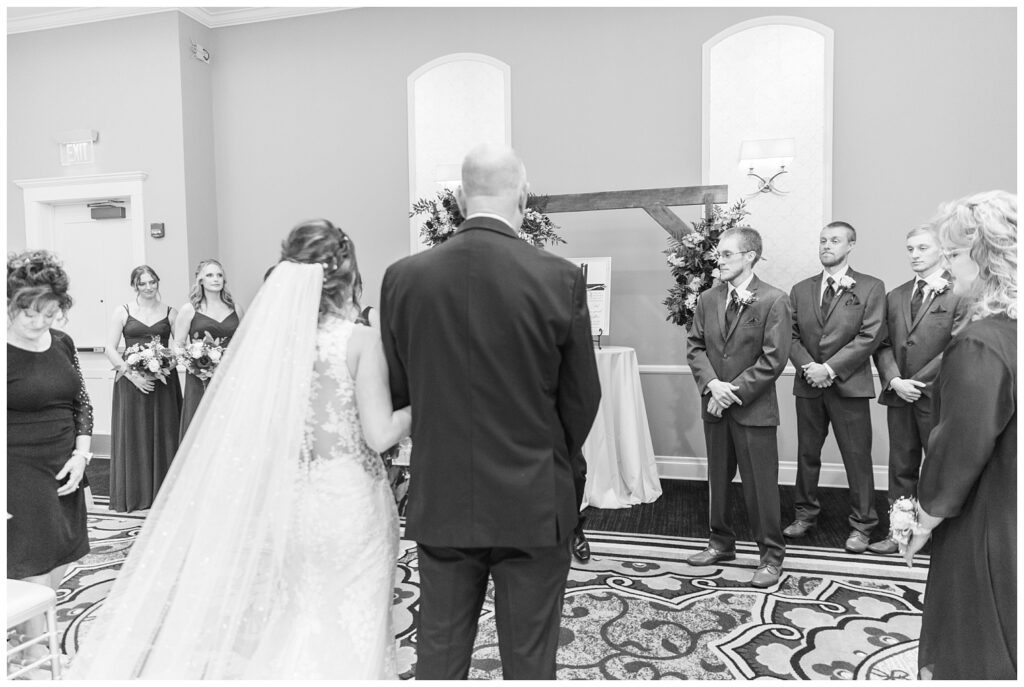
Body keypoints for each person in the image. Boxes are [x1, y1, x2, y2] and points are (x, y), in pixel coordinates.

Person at [68, 220, 411, 679]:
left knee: (295, 610)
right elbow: (380, 435)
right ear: (346, 272)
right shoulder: (360, 340)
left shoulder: (269, 345)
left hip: (289, 499)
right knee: (349, 613)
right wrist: (418, 407)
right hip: (347, 498)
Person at [380, 143, 601, 679]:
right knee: (529, 656)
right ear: (523, 197)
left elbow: (401, 387)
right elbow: (581, 396)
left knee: (440, 649)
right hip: (533, 494)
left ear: (458, 198)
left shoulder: (403, 277)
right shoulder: (559, 276)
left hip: (444, 493)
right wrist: (553, 458)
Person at [903, 191, 1016, 680]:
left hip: (989, 514)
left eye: (951, 255)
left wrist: (924, 518)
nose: (946, 268)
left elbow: (961, 444)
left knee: (978, 634)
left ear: (986, 254)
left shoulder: (980, 341)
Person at [685, 227, 791, 587]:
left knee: (761, 486)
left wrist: (732, 391)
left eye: (728, 254)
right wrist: (712, 385)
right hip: (714, 405)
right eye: (720, 254)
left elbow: (773, 359)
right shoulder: (707, 299)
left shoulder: (774, 300)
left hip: (753, 409)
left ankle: (771, 557)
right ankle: (720, 543)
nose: (721, 260)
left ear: (750, 256)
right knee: (718, 479)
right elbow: (695, 346)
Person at [7, 250, 93, 667]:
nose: (41, 323)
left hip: (66, 464)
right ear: (11, 304)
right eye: (31, 315)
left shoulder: (62, 342)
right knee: (33, 559)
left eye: (50, 313)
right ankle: (37, 650)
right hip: (17, 467)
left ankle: (32, 635)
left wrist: (82, 455)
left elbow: (81, 401)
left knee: (64, 554)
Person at [784, 221, 885, 553]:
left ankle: (863, 525)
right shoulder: (800, 289)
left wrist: (829, 368)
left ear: (851, 245)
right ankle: (804, 515)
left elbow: (870, 336)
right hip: (809, 384)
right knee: (807, 454)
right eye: (823, 240)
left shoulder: (871, 287)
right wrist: (809, 368)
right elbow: (790, 335)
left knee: (857, 457)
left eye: (835, 240)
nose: (827, 245)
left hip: (849, 385)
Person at [869, 226, 966, 554]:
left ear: (941, 249)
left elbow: (957, 345)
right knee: (900, 465)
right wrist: (895, 380)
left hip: (938, 396)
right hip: (899, 395)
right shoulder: (895, 295)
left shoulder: (961, 293)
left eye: (923, 248)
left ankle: (942, 535)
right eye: (910, 248)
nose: (915, 254)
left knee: (939, 464)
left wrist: (918, 383)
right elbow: (881, 344)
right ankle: (899, 534)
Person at [104, 266, 183, 512]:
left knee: (166, 433)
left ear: (158, 283)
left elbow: (179, 348)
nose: (148, 287)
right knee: (134, 434)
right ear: (135, 286)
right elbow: (109, 347)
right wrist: (131, 375)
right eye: (142, 283)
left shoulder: (171, 313)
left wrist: (165, 366)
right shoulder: (123, 311)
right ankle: (136, 494)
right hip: (131, 383)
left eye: (152, 282)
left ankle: (165, 495)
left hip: (163, 385)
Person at [173, 258, 243, 440]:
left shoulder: (236, 308)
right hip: (200, 378)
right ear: (200, 280)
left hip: (230, 376)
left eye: (219, 275)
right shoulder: (189, 310)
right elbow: (178, 344)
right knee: (201, 427)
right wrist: (193, 366)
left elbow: (243, 342)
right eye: (210, 275)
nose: (216, 279)